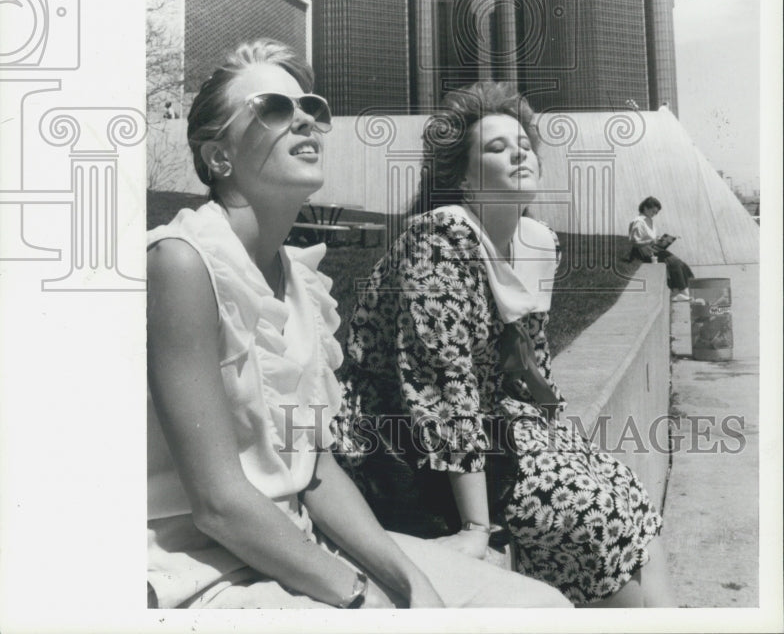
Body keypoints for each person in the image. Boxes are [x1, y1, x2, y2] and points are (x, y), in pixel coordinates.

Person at [146, 41, 569, 610]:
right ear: (218, 157)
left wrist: (412, 581)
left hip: (302, 542)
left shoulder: (299, 278)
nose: (305, 121)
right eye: (272, 108)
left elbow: (314, 467)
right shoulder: (182, 262)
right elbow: (218, 504)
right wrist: (358, 596)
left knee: (541, 609)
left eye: (312, 109)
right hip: (199, 569)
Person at [338, 81, 673, 607]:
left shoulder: (537, 241)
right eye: (496, 147)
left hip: (495, 416)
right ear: (464, 181)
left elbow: (530, 361)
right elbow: (443, 381)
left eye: (523, 144)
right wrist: (476, 524)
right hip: (396, 432)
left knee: (622, 488)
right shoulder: (440, 239)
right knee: (587, 511)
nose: (519, 152)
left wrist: (559, 439)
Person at [629, 195, 694, 302]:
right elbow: (634, 241)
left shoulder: (648, 220)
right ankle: (679, 292)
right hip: (643, 251)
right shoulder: (638, 222)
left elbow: (650, 237)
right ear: (645, 208)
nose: (654, 215)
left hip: (652, 249)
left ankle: (683, 291)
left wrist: (661, 240)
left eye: (656, 213)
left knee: (679, 262)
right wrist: (651, 242)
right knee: (674, 261)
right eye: (653, 212)